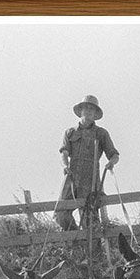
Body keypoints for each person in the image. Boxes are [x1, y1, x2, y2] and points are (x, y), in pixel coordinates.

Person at [55, 95, 119, 230]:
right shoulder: (70, 132)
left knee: (90, 221)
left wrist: (111, 163)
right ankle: (76, 241)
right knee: (60, 213)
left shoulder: (101, 133)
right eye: (86, 108)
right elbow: (64, 152)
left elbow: (114, 154)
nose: (89, 111)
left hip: (90, 180)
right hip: (72, 177)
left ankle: (93, 249)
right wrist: (65, 166)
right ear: (81, 111)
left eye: (92, 109)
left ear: (96, 114)